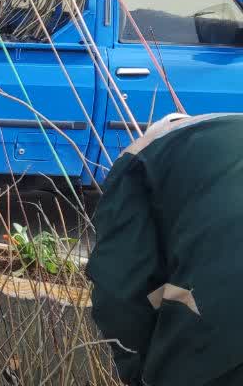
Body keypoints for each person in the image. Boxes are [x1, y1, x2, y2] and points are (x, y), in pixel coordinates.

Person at [88, 112, 243, 386]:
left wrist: (139, 372)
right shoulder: (227, 136)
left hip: (219, 341)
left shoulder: (140, 159)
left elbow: (119, 292)